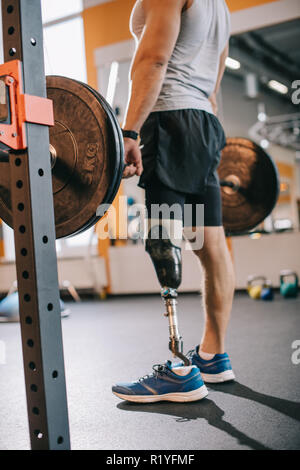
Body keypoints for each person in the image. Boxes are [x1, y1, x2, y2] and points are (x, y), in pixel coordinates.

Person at [112, 0, 235, 403]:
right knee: (211, 244)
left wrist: (129, 132)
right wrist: (204, 125)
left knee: (163, 238)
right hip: (204, 122)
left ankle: (180, 368)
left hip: (168, 118)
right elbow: (216, 74)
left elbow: (153, 59)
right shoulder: (220, 6)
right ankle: (213, 356)